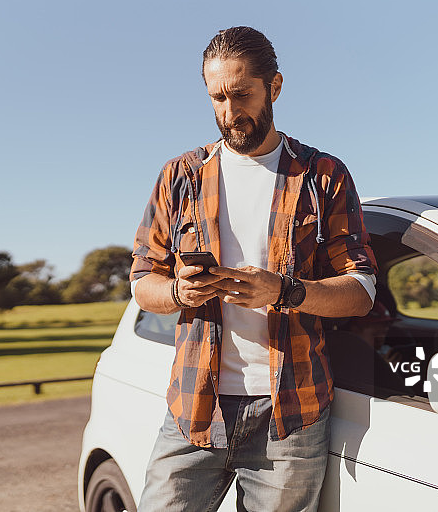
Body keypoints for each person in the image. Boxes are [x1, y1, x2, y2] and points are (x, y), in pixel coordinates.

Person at [130, 26, 377, 512]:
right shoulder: (179, 176)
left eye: (241, 94)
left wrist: (283, 292)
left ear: (275, 87)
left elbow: (361, 289)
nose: (229, 112)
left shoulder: (322, 175)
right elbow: (143, 282)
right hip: (193, 407)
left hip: (291, 412)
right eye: (217, 97)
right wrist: (181, 292)